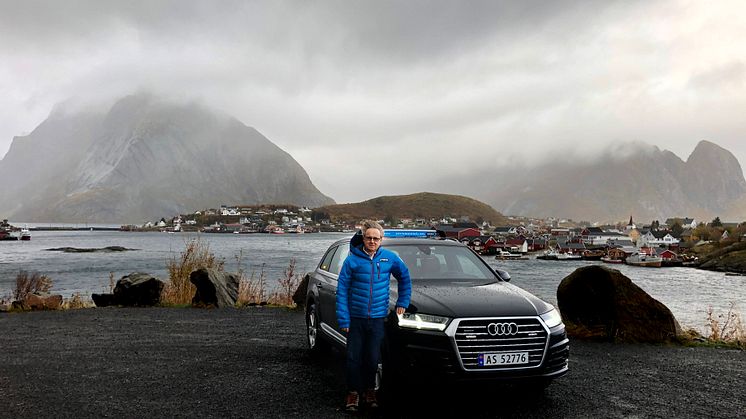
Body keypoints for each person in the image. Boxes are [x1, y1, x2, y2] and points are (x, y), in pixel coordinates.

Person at [336, 220, 411, 412]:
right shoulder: (352, 260)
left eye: (376, 238)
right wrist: (344, 318)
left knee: (372, 358)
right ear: (363, 238)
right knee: (354, 358)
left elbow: (405, 277)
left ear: (381, 239)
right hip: (356, 318)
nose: (372, 241)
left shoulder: (389, 258)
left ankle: (370, 392)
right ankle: (352, 394)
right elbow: (342, 289)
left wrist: (403, 302)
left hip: (378, 318)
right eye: (368, 237)